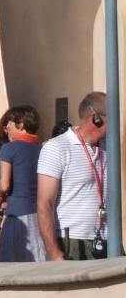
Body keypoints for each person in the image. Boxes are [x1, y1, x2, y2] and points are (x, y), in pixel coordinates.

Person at [37, 92, 108, 261]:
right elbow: (44, 203)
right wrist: (55, 253)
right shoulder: (57, 147)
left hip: (108, 239)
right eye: (112, 116)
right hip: (72, 242)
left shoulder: (109, 147)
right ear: (96, 118)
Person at [0, 105, 45, 262]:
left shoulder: (8, 148)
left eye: (9, 124)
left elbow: (4, 185)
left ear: (21, 124)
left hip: (16, 212)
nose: (7, 129)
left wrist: (0, 195)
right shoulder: (42, 148)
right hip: (39, 212)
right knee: (37, 258)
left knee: (10, 261)